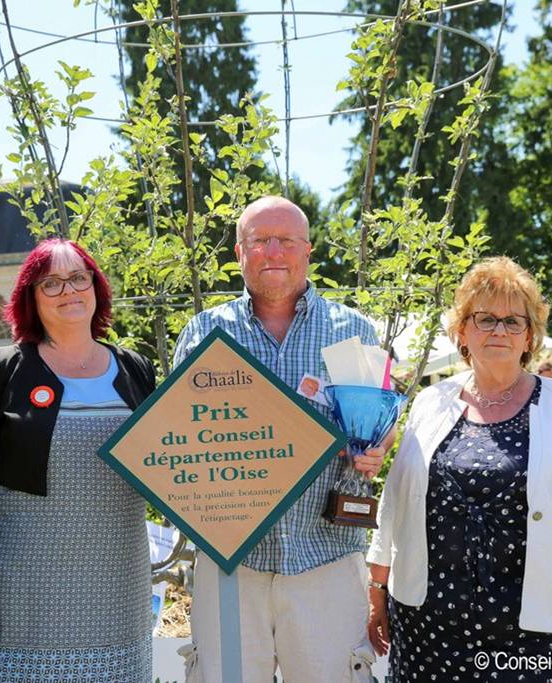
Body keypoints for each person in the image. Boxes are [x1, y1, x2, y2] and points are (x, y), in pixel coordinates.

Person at [366, 257, 552, 681]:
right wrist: (377, 588)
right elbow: (395, 503)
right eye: (485, 318)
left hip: (533, 633)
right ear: (462, 331)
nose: (499, 331)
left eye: (513, 321)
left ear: (530, 336)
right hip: (426, 628)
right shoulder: (431, 403)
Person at [173, 196, 391, 683]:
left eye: (286, 240)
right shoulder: (205, 331)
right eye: (259, 241)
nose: (273, 251)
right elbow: (176, 436)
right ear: (239, 252)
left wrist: (375, 448)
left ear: (307, 250)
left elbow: (376, 425)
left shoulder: (350, 330)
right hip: (230, 562)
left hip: (325, 556)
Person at [0, 238, 157, 682]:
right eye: (51, 283)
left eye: (78, 278)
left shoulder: (136, 367)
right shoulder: (1, 368)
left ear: (96, 288)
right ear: (31, 298)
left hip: (118, 578)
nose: (69, 290)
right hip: (24, 586)